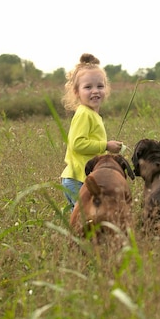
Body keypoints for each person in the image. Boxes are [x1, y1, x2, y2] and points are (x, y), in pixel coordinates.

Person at [60, 53, 123, 210]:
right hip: (78, 179)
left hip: (83, 178)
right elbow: (77, 144)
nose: (95, 91)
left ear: (106, 89)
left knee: (88, 216)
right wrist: (106, 145)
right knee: (85, 218)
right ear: (76, 92)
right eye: (88, 87)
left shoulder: (92, 115)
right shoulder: (84, 114)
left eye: (99, 86)